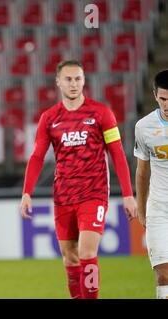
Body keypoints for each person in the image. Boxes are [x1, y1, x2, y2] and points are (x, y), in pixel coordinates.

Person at [20, 60, 137, 299]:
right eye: (68, 79)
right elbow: (36, 156)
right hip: (63, 196)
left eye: (78, 79)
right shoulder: (49, 118)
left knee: (86, 253)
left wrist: (127, 193)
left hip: (93, 194)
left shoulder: (102, 113)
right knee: (69, 256)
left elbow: (117, 153)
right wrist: (26, 192)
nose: (74, 84)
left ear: (84, 81)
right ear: (58, 82)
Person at [134, 69, 168, 299]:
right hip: (159, 208)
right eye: (163, 99)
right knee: (164, 274)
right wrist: (142, 207)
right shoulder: (144, 127)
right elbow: (142, 171)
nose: (167, 105)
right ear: (155, 95)